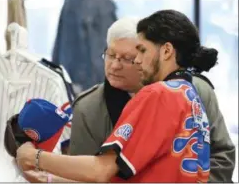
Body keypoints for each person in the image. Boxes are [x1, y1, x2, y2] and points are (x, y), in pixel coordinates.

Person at [16, 10, 220, 182]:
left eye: (141, 51)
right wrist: (50, 179)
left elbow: (101, 170)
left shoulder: (157, 94)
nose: (138, 61)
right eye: (111, 55)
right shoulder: (189, 93)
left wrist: (35, 156)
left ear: (166, 51)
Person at [68, 16, 235, 182]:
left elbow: (222, 155)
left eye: (130, 58)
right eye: (110, 55)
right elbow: (84, 176)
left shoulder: (189, 91)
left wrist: (41, 158)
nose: (114, 65)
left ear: (165, 52)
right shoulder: (88, 107)